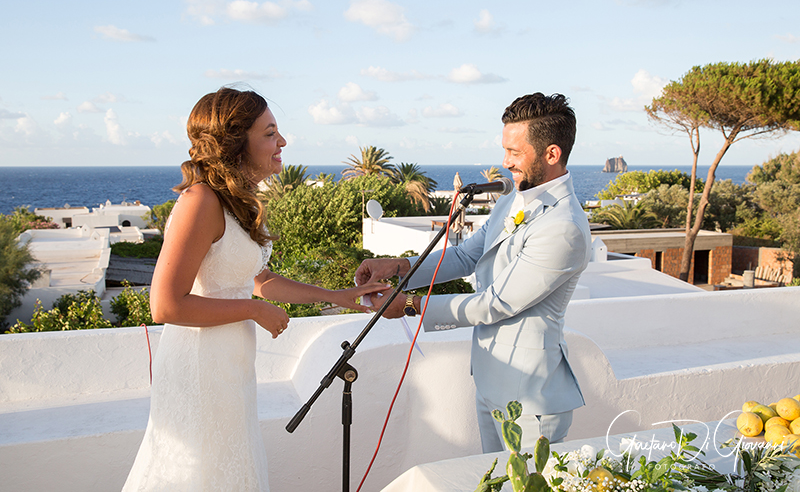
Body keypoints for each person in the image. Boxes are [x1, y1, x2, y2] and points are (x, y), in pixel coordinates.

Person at [122, 87, 388, 491]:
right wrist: (251, 310)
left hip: (229, 367)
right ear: (235, 142)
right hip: (199, 366)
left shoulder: (233, 201)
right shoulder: (201, 201)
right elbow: (165, 305)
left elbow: (258, 281)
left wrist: (334, 296)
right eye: (269, 133)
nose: (282, 142)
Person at [355, 93, 591, 453]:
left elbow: (495, 304)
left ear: (552, 154)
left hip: (532, 400)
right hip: (491, 382)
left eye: (515, 152)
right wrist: (401, 267)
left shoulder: (565, 226)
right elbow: (466, 255)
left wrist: (409, 305)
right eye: (505, 149)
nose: (505, 161)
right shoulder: (515, 199)